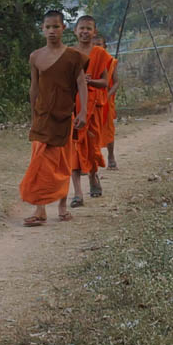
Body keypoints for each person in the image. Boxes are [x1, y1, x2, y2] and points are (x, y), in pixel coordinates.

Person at [20, 10, 88, 226]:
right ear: (42, 29)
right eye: (48, 27)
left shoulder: (74, 56)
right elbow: (34, 89)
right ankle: (40, 210)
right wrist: (33, 116)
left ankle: (62, 207)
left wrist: (84, 111)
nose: (52, 31)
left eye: (56, 27)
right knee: (39, 163)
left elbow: (81, 83)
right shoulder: (35, 56)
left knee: (61, 163)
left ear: (63, 28)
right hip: (42, 117)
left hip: (64, 116)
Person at [69, 15, 111, 207]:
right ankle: (77, 192)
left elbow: (105, 82)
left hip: (92, 107)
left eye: (89, 29)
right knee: (73, 148)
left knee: (92, 146)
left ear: (94, 32)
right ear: (75, 31)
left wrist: (89, 81)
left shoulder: (100, 53)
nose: (85, 32)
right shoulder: (68, 53)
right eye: (82, 28)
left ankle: (93, 176)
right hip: (71, 106)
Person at [93, 34, 120, 169]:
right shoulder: (87, 61)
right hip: (91, 100)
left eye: (100, 44)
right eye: (94, 45)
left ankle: (111, 156)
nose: (97, 47)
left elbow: (116, 83)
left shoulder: (111, 62)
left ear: (105, 47)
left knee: (108, 130)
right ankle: (89, 160)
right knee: (90, 131)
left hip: (106, 102)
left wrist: (108, 95)